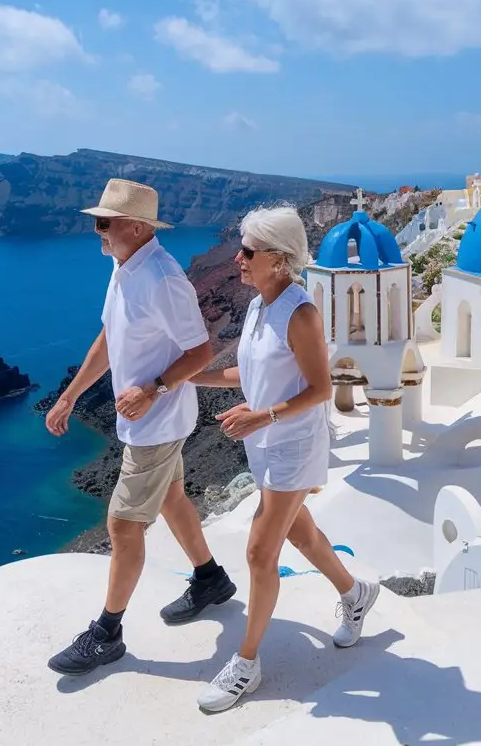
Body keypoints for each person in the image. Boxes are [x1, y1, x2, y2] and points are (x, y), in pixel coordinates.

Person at [190, 205, 379, 712]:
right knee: (299, 532)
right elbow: (248, 377)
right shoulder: (257, 306)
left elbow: (320, 388)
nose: (238, 258)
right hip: (267, 442)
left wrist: (262, 416)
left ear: (278, 258)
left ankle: (246, 665)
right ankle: (355, 592)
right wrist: (188, 379)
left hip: (293, 445)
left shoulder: (301, 312)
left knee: (258, 552)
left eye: (249, 251)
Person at [44, 178, 237, 676]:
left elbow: (200, 353)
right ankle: (210, 578)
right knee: (171, 497)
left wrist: (153, 389)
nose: (97, 232)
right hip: (148, 418)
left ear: (135, 226)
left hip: (157, 422)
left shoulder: (163, 279)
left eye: (103, 224)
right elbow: (110, 337)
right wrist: (70, 396)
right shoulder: (123, 267)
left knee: (123, 525)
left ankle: (107, 632)